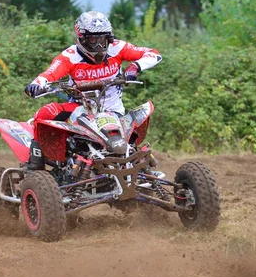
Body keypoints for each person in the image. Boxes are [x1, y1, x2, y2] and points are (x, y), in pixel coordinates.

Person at [23, 10, 162, 170]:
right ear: (81, 38)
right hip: (80, 109)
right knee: (43, 114)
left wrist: (134, 67)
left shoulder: (117, 47)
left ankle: (140, 168)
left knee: (132, 137)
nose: (99, 45)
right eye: (93, 40)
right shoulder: (70, 56)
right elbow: (49, 74)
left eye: (103, 39)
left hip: (114, 112)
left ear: (109, 37)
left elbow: (153, 54)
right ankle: (35, 166)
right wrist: (36, 85)